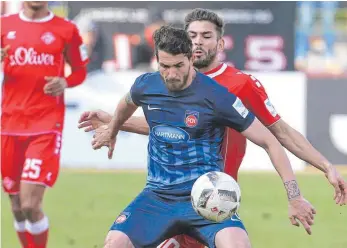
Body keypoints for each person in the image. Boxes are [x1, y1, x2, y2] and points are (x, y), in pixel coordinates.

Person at [79, 8, 347, 248]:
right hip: (167, 193)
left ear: (220, 43)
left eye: (206, 36)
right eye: (192, 34)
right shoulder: (160, 83)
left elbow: (279, 133)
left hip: (214, 198)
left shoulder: (236, 87)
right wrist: (113, 123)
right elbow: (168, 127)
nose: (198, 41)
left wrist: (325, 166)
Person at [1, 2, 88, 248]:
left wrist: (65, 82)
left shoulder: (66, 29)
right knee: (17, 208)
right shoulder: (4, 25)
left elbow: (80, 71)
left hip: (45, 125)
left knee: (30, 204)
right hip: (9, 125)